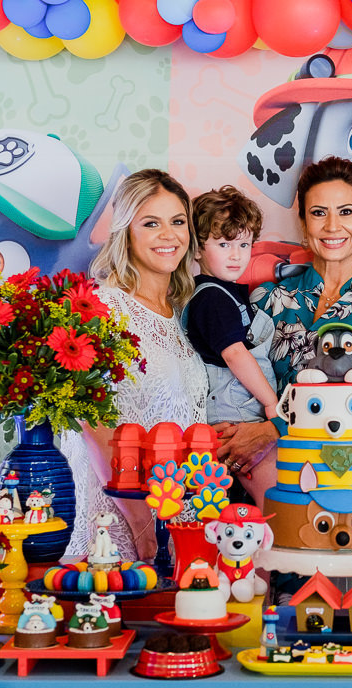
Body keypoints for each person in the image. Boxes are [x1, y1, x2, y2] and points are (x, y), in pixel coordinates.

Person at [231, 157, 352, 475]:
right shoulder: (270, 297)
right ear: (304, 224)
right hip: (272, 471)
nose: (333, 226)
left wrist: (274, 427)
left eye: (346, 212)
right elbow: (243, 386)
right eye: (319, 213)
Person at [61, 169, 209, 560]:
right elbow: (92, 424)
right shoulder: (105, 308)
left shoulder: (176, 313)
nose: (169, 235)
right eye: (151, 223)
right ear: (126, 232)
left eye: (178, 222)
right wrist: (144, 527)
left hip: (175, 520)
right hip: (118, 523)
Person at [183, 186, 280, 505]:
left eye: (244, 243)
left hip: (241, 411)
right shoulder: (211, 298)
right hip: (239, 417)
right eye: (224, 244)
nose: (236, 254)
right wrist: (271, 403)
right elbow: (235, 353)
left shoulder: (227, 293)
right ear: (197, 249)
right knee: (275, 501)